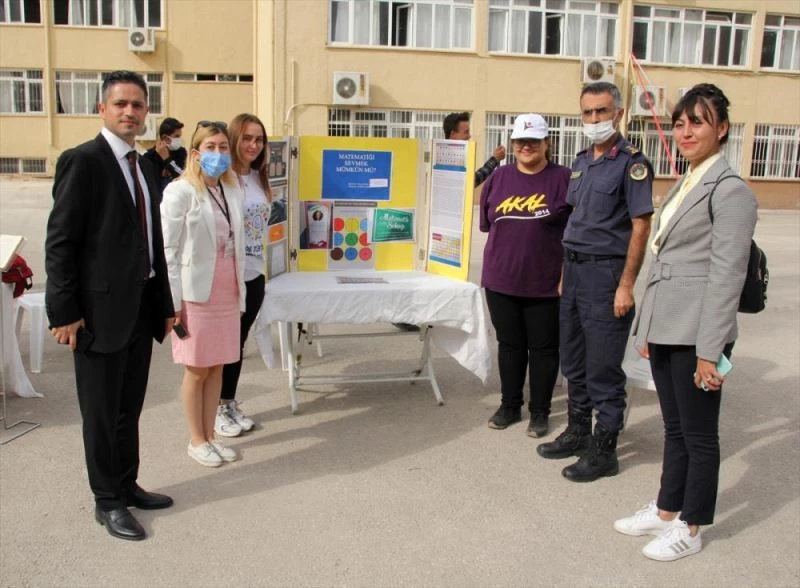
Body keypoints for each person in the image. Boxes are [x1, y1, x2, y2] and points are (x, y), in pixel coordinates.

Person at [615, 84, 757, 561]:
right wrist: (647, 330)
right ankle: (666, 509)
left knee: (699, 435)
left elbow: (726, 276)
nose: (686, 131)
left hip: (698, 331)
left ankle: (691, 528)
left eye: (698, 121)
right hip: (666, 326)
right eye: (679, 122)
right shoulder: (689, 179)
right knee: (674, 429)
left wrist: (708, 350)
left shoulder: (730, 190)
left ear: (722, 129)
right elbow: (665, 260)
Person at [45, 70, 176, 541]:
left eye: (138, 105)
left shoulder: (142, 165)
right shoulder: (83, 161)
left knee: (128, 408)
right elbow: (61, 242)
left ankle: (127, 484)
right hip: (98, 315)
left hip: (139, 309)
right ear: (102, 108)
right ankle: (107, 501)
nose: (130, 112)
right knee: (100, 415)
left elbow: (150, 242)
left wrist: (163, 304)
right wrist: (63, 312)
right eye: (120, 104)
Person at [537, 81, 654, 482]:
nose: (593, 120)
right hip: (574, 272)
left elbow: (640, 226)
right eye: (587, 113)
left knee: (603, 366)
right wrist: (565, 273)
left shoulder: (632, 163)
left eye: (601, 112)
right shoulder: (582, 160)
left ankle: (604, 451)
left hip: (607, 274)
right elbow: (576, 219)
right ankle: (576, 431)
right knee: (573, 360)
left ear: (618, 113)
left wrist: (626, 285)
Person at [479, 113, 571, 437]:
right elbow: (489, 225)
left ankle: (540, 411)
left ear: (547, 143)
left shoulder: (564, 179)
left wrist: (566, 274)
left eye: (534, 141)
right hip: (501, 280)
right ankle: (510, 405)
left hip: (546, 283)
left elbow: (575, 232)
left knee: (544, 349)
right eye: (520, 141)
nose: (526, 146)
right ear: (513, 144)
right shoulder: (498, 178)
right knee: (510, 345)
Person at [161, 121, 246, 467]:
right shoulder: (179, 191)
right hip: (195, 296)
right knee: (197, 369)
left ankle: (210, 435)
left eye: (223, 147)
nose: (218, 153)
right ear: (195, 153)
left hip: (227, 291)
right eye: (210, 147)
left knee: (217, 368)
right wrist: (172, 303)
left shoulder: (231, 189)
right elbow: (168, 248)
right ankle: (196, 440)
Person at [216, 113, 272, 437]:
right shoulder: (223, 178)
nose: (253, 145)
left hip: (255, 273)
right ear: (235, 138)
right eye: (248, 138)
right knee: (223, 345)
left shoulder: (259, 177)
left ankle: (228, 402)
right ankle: (214, 411)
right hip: (227, 274)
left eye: (259, 139)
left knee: (237, 343)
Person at [443, 111, 506, 187]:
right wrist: (495, 159)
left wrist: (495, 159)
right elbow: (473, 181)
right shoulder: (444, 161)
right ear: (453, 134)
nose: (469, 136)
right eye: (466, 132)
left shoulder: (459, 157)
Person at [142, 117, 187, 192]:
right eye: (177, 136)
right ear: (165, 138)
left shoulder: (181, 153)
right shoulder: (149, 157)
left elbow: (183, 177)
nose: (179, 139)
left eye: (180, 136)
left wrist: (167, 160)